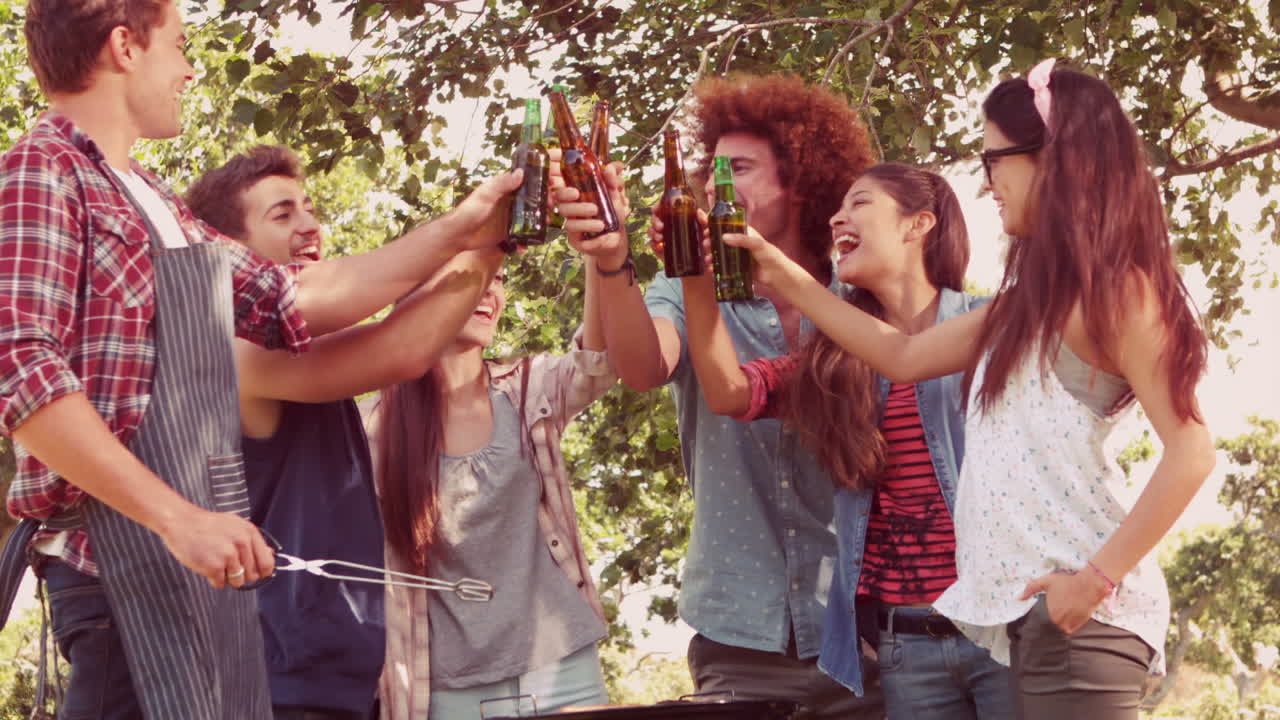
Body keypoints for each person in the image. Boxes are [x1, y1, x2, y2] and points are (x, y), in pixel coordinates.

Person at [0, 2, 519, 718]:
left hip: (191, 586)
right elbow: (23, 373)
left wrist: (474, 227)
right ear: (125, 46)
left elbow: (293, 303)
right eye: (178, 46)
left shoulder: (153, 200)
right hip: (115, 573)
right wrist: (177, 518)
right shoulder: (41, 167)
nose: (189, 69)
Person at [717, 60, 1215, 719]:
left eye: (993, 162)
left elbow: (1192, 451)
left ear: (1052, 158)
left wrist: (1094, 582)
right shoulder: (1026, 304)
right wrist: (780, 272)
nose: (987, 187)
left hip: (1081, 618)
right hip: (1031, 618)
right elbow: (901, 355)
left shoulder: (1118, 293)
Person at [556, 73, 884, 718]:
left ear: (801, 179)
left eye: (740, 168)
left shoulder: (859, 299)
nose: (714, 185)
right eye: (712, 170)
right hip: (741, 632)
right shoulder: (685, 291)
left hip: (867, 627)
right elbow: (642, 366)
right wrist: (612, 258)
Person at [680, 163, 1013, 720]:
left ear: (919, 224)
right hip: (907, 650)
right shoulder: (835, 358)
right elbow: (728, 393)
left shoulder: (995, 326)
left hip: (1003, 633)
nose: (838, 216)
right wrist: (694, 277)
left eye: (860, 202)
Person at [185, 144, 505, 720]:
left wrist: (495, 239)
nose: (311, 226)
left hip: (338, 687)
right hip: (272, 688)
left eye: (308, 209)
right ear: (232, 255)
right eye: (282, 215)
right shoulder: (233, 352)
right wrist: (492, 238)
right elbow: (403, 348)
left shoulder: (293, 349)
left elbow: (404, 331)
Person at [368, 247, 616, 720]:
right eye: (474, 278)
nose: (491, 293)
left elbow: (597, 361)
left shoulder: (527, 391)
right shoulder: (375, 432)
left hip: (562, 669)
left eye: (498, 279)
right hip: (443, 689)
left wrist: (596, 254)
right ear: (419, 294)